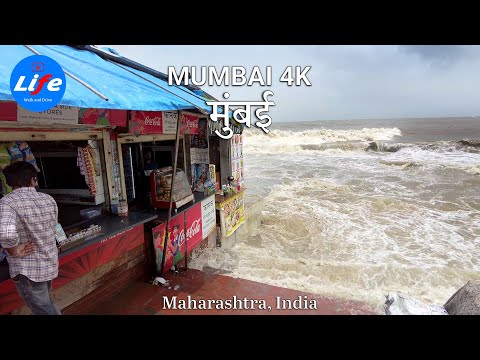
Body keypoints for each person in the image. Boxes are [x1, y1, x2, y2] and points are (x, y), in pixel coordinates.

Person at [0, 162, 61, 315]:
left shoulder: (7, 203)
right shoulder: (48, 199)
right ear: (33, 179)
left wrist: (14, 251)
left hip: (28, 271)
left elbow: (6, 235)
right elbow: (54, 227)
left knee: (43, 310)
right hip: (49, 263)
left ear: (9, 182)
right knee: (47, 304)